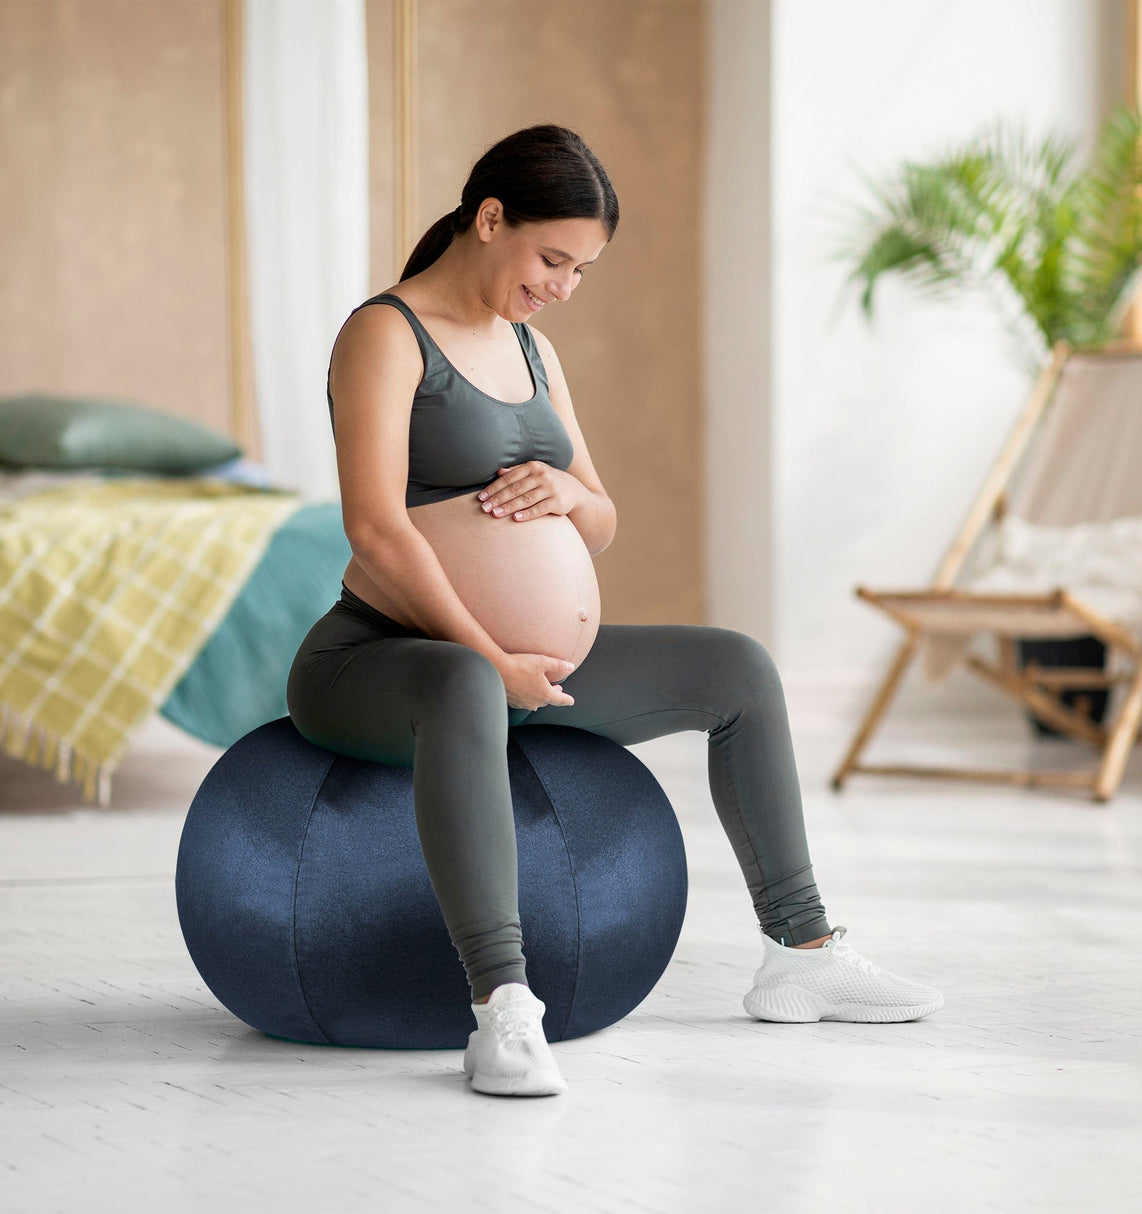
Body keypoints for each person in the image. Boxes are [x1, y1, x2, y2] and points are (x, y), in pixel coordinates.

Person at [286, 124, 942, 1099]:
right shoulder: (384, 332)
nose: (561, 285)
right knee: (464, 679)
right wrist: (488, 654)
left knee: (734, 667)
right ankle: (501, 1006)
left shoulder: (534, 349)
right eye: (551, 258)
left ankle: (799, 950)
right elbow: (377, 530)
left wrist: (560, 489)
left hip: (515, 664)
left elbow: (598, 519)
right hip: (379, 658)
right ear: (488, 216)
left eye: (582, 269)